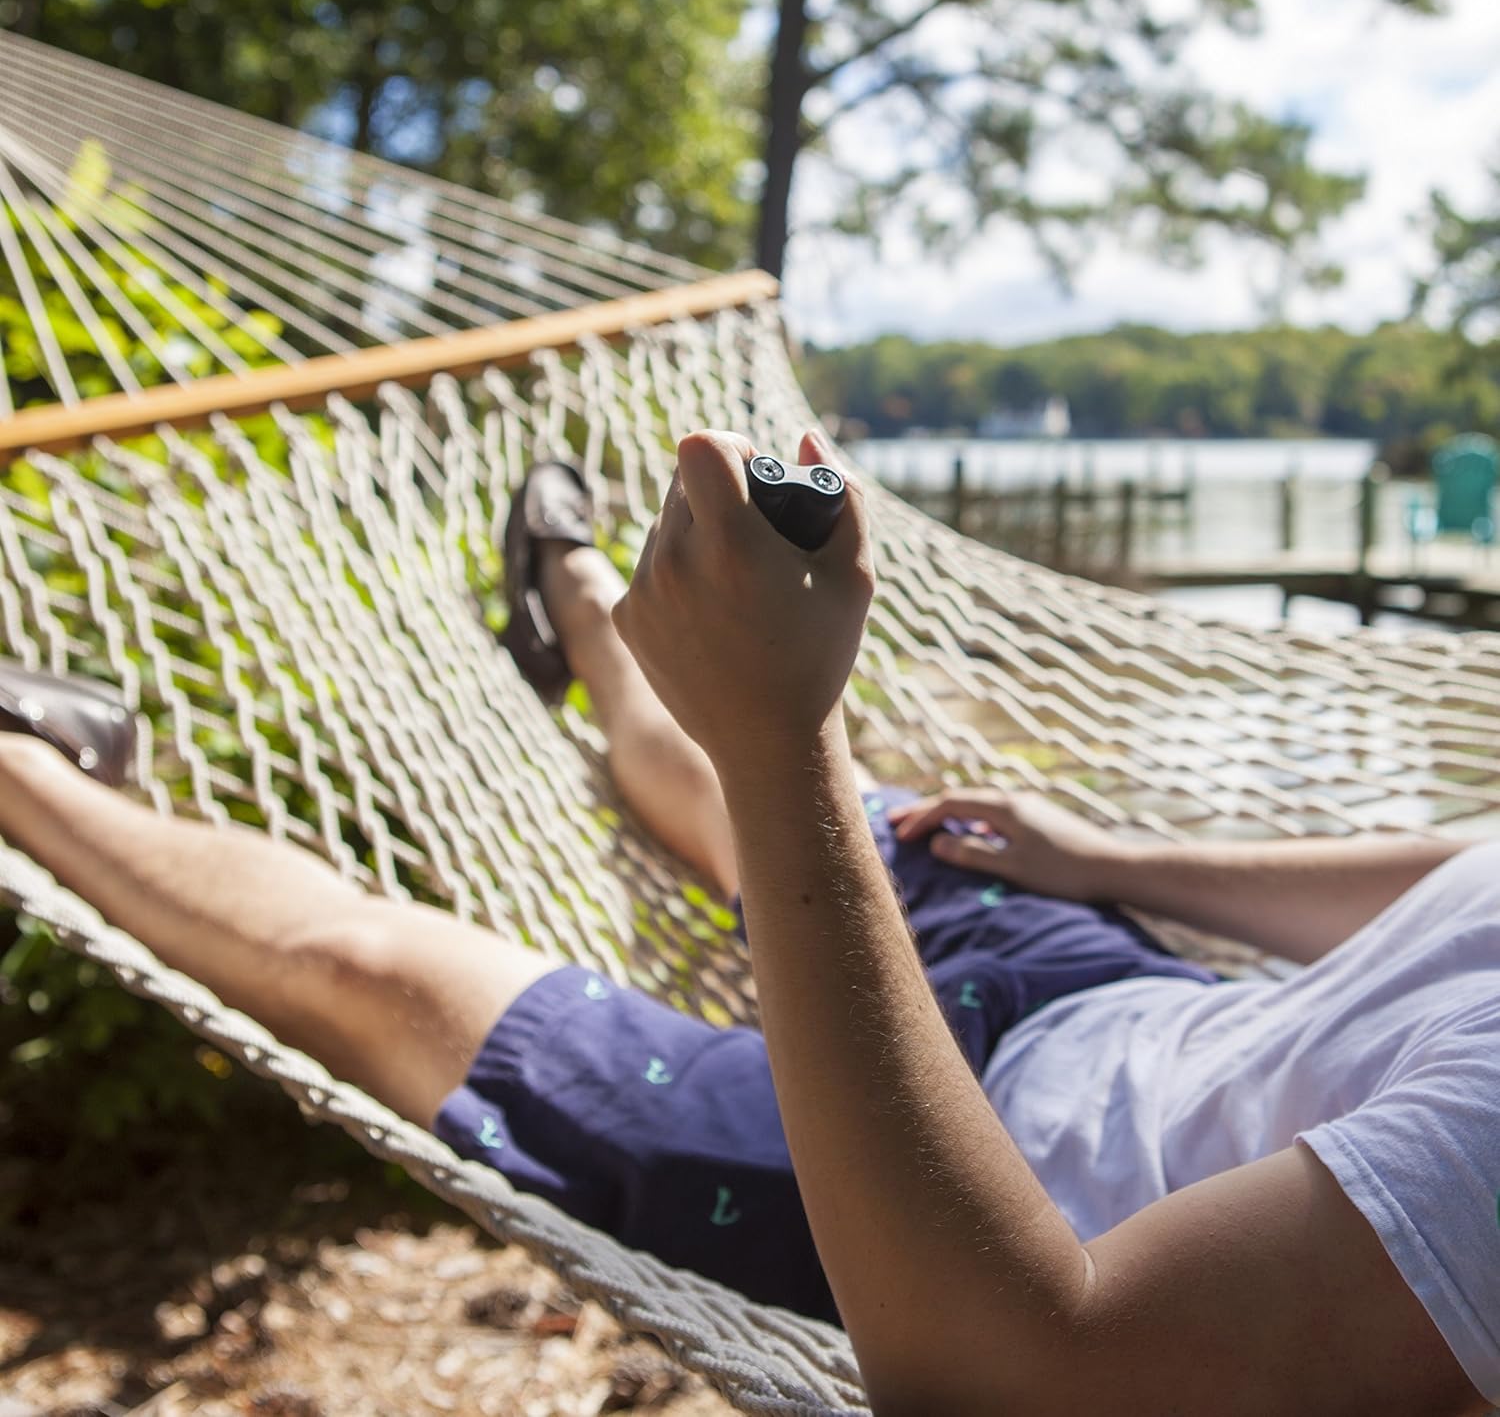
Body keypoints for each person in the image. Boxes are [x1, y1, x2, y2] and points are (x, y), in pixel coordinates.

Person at [0, 427, 1495, 1416]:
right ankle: (580, 603)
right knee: (705, 773)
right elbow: (1448, 883)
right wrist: (1112, 854)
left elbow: (1027, 1374)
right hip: (1109, 977)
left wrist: (794, 747)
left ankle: (27, 772)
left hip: (943, 1186)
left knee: (370, 971)